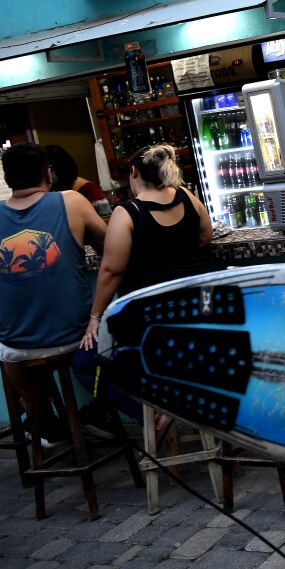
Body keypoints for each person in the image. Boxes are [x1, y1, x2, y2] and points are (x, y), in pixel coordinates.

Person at [0, 143, 108, 444]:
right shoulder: (71, 200)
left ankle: (42, 419)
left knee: (2, 341)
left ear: (6, 181)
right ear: (48, 174)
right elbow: (110, 249)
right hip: (77, 336)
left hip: (18, 344)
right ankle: (96, 412)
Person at [77, 144, 212, 431]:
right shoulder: (187, 197)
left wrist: (94, 319)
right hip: (200, 316)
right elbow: (205, 235)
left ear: (134, 172)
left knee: (87, 363)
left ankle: (154, 415)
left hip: (153, 324)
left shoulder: (128, 212)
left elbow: (112, 269)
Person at [45, 144, 114, 220]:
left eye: (51, 170)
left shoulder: (88, 189)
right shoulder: (51, 192)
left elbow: (108, 221)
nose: (47, 174)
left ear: (62, 168)